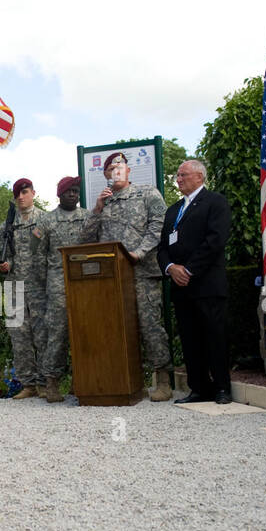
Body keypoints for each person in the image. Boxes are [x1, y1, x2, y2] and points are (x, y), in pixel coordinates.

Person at [81, 151, 174, 401]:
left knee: (150, 325)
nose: (116, 170)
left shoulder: (147, 194)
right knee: (118, 329)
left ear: (128, 171)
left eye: (120, 166)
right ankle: (128, 381)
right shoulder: (104, 203)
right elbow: (86, 240)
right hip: (112, 279)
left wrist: (140, 252)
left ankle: (163, 380)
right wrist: (97, 209)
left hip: (142, 273)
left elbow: (159, 225)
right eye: (111, 168)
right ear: (106, 175)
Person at [157, 159, 232, 404]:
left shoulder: (215, 203)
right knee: (190, 340)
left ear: (200, 177)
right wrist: (170, 268)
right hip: (180, 287)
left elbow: (215, 241)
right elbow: (162, 248)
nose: (178, 179)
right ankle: (198, 388)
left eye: (183, 175)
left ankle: (221, 388)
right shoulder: (173, 210)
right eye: (177, 175)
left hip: (207, 284)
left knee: (214, 336)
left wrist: (188, 270)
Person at [34, 175, 87, 402]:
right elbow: (38, 255)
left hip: (85, 282)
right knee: (56, 332)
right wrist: (48, 282)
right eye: (69, 191)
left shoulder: (87, 217)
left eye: (76, 191)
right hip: (57, 282)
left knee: (84, 331)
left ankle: (81, 380)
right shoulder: (46, 221)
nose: (73, 195)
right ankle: (52, 382)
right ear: (59, 195)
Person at [0, 178, 47, 399]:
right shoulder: (5, 226)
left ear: (33, 193)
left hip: (39, 286)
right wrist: (5, 265)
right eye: (17, 193)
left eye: (25, 192)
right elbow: (5, 256)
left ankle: (47, 382)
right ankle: (28, 384)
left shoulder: (45, 220)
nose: (21, 197)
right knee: (19, 337)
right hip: (15, 287)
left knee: (43, 335)